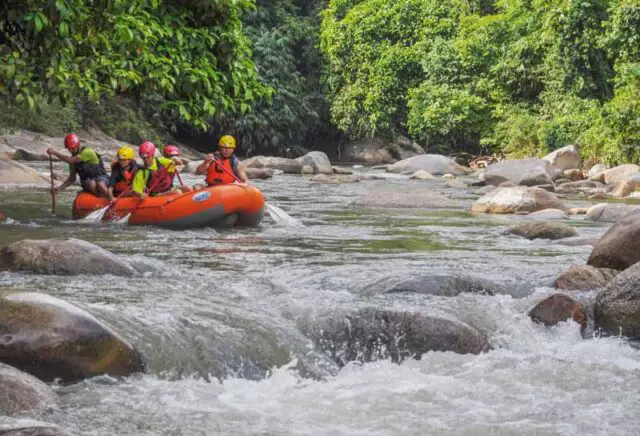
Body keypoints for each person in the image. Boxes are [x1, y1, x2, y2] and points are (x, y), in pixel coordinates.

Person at [46, 133, 109, 198]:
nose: (70, 151)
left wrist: (54, 153)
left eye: (72, 148)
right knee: (91, 184)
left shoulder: (87, 152)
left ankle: (109, 198)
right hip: (88, 183)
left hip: (101, 178)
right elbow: (71, 179)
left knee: (98, 184)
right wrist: (59, 189)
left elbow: (71, 160)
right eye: (68, 148)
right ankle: (100, 197)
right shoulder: (73, 161)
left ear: (78, 145)